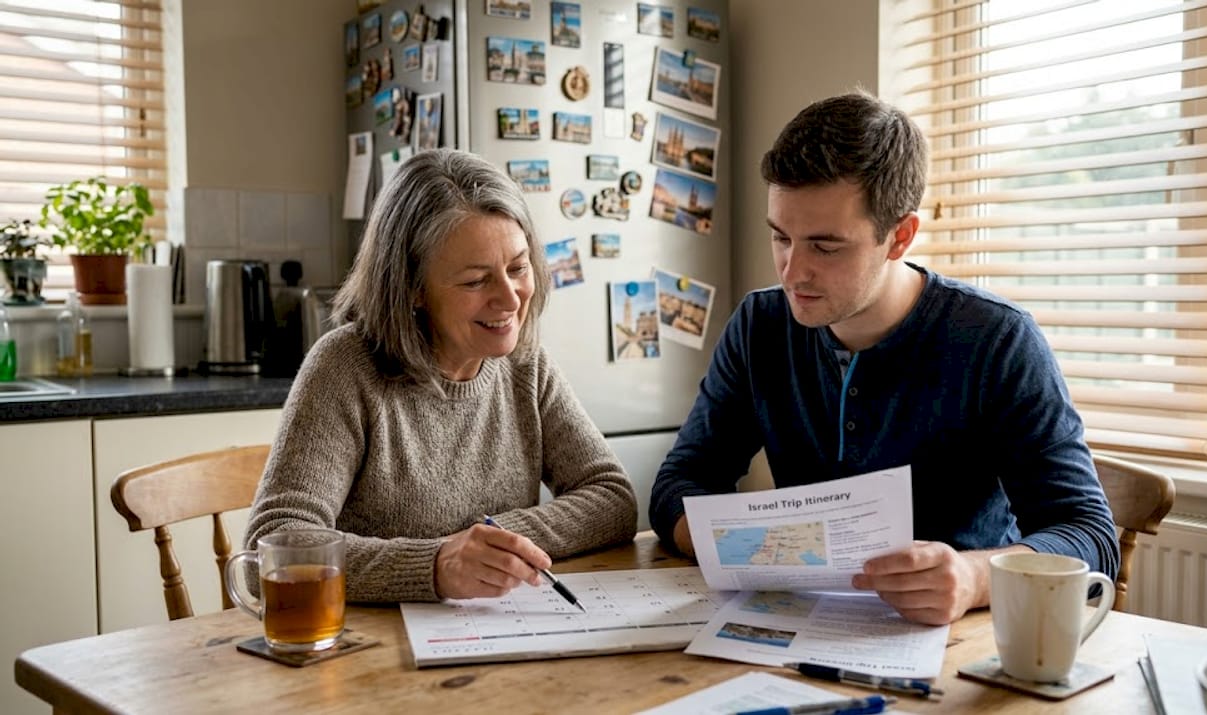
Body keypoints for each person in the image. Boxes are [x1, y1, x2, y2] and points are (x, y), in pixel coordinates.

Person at [649, 90, 1119, 626]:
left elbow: (1090, 534)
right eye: (781, 236)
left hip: (960, 637)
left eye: (825, 247)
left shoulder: (998, 340)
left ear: (900, 237)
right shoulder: (760, 325)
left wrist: (972, 577)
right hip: (799, 624)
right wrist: (753, 549)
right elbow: (677, 486)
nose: (792, 271)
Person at [245, 148, 638, 603]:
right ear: (413, 288)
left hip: (489, 640)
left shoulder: (524, 365)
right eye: (476, 281)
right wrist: (433, 565)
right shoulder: (344, 367)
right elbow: (272, 546)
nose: (510, 299)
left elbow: (612, 499)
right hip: (366, 652)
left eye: (518, 268)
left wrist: (491, 542)